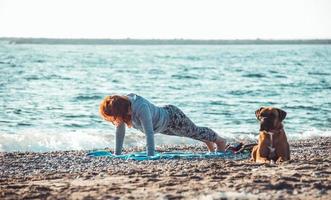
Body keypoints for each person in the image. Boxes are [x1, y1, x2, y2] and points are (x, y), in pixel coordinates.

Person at [99, 93, 226, 156]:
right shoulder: (121, 109)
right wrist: (117, 154)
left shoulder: (140, 107)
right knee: (190, 134)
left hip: (172, 117)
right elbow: (120, 132)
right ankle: (208, 142)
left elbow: (149, 133)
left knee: (194, 131)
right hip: (162, 126)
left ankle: (220, 141)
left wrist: (150, 155)